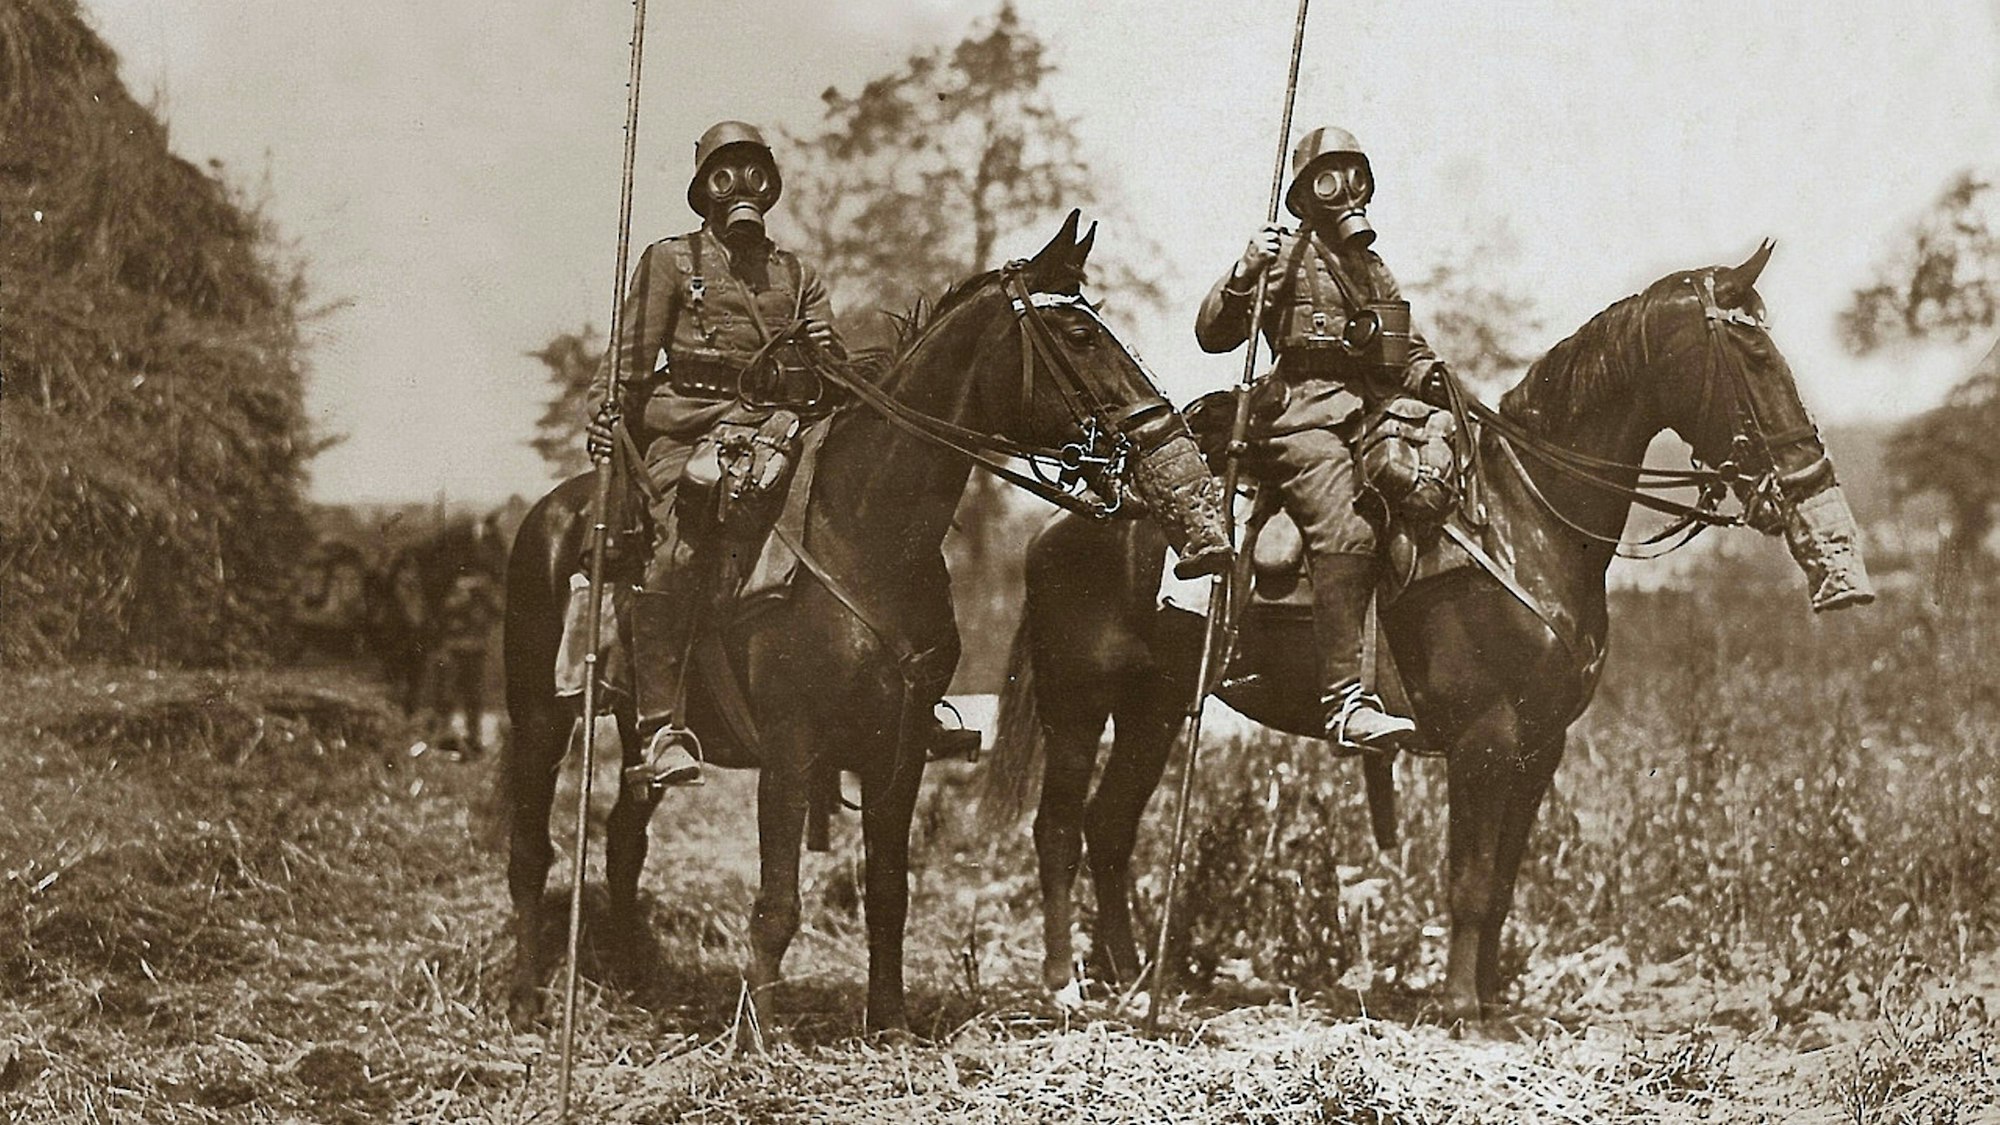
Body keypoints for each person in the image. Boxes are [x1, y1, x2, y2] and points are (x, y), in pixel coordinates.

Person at [584, 121, 980, 794]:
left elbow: (826, 360)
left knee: (859, 525)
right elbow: (627, 360)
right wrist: (605, 410)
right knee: (675, 549)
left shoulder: (798, 273)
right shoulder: (671, 262)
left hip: (779, 428)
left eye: (754, 175)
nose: (742, 191)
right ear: (706, 189)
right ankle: (659, 725)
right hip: (687, 427)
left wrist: (834, 370)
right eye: (726, 174)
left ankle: (900, 699)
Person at [1194, 126, 1451, 753]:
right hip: (1300, 418)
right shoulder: (1283, 256)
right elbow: (1214, 333)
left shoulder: (1372, 269)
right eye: (1332, 180)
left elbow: (1401, 352)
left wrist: (1437, 378)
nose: (1349, 194)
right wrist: (1243, 271)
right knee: (1349, 529)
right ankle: (1345, 703)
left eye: (1357, 179)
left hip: (1368, 413)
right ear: (1308, 192)